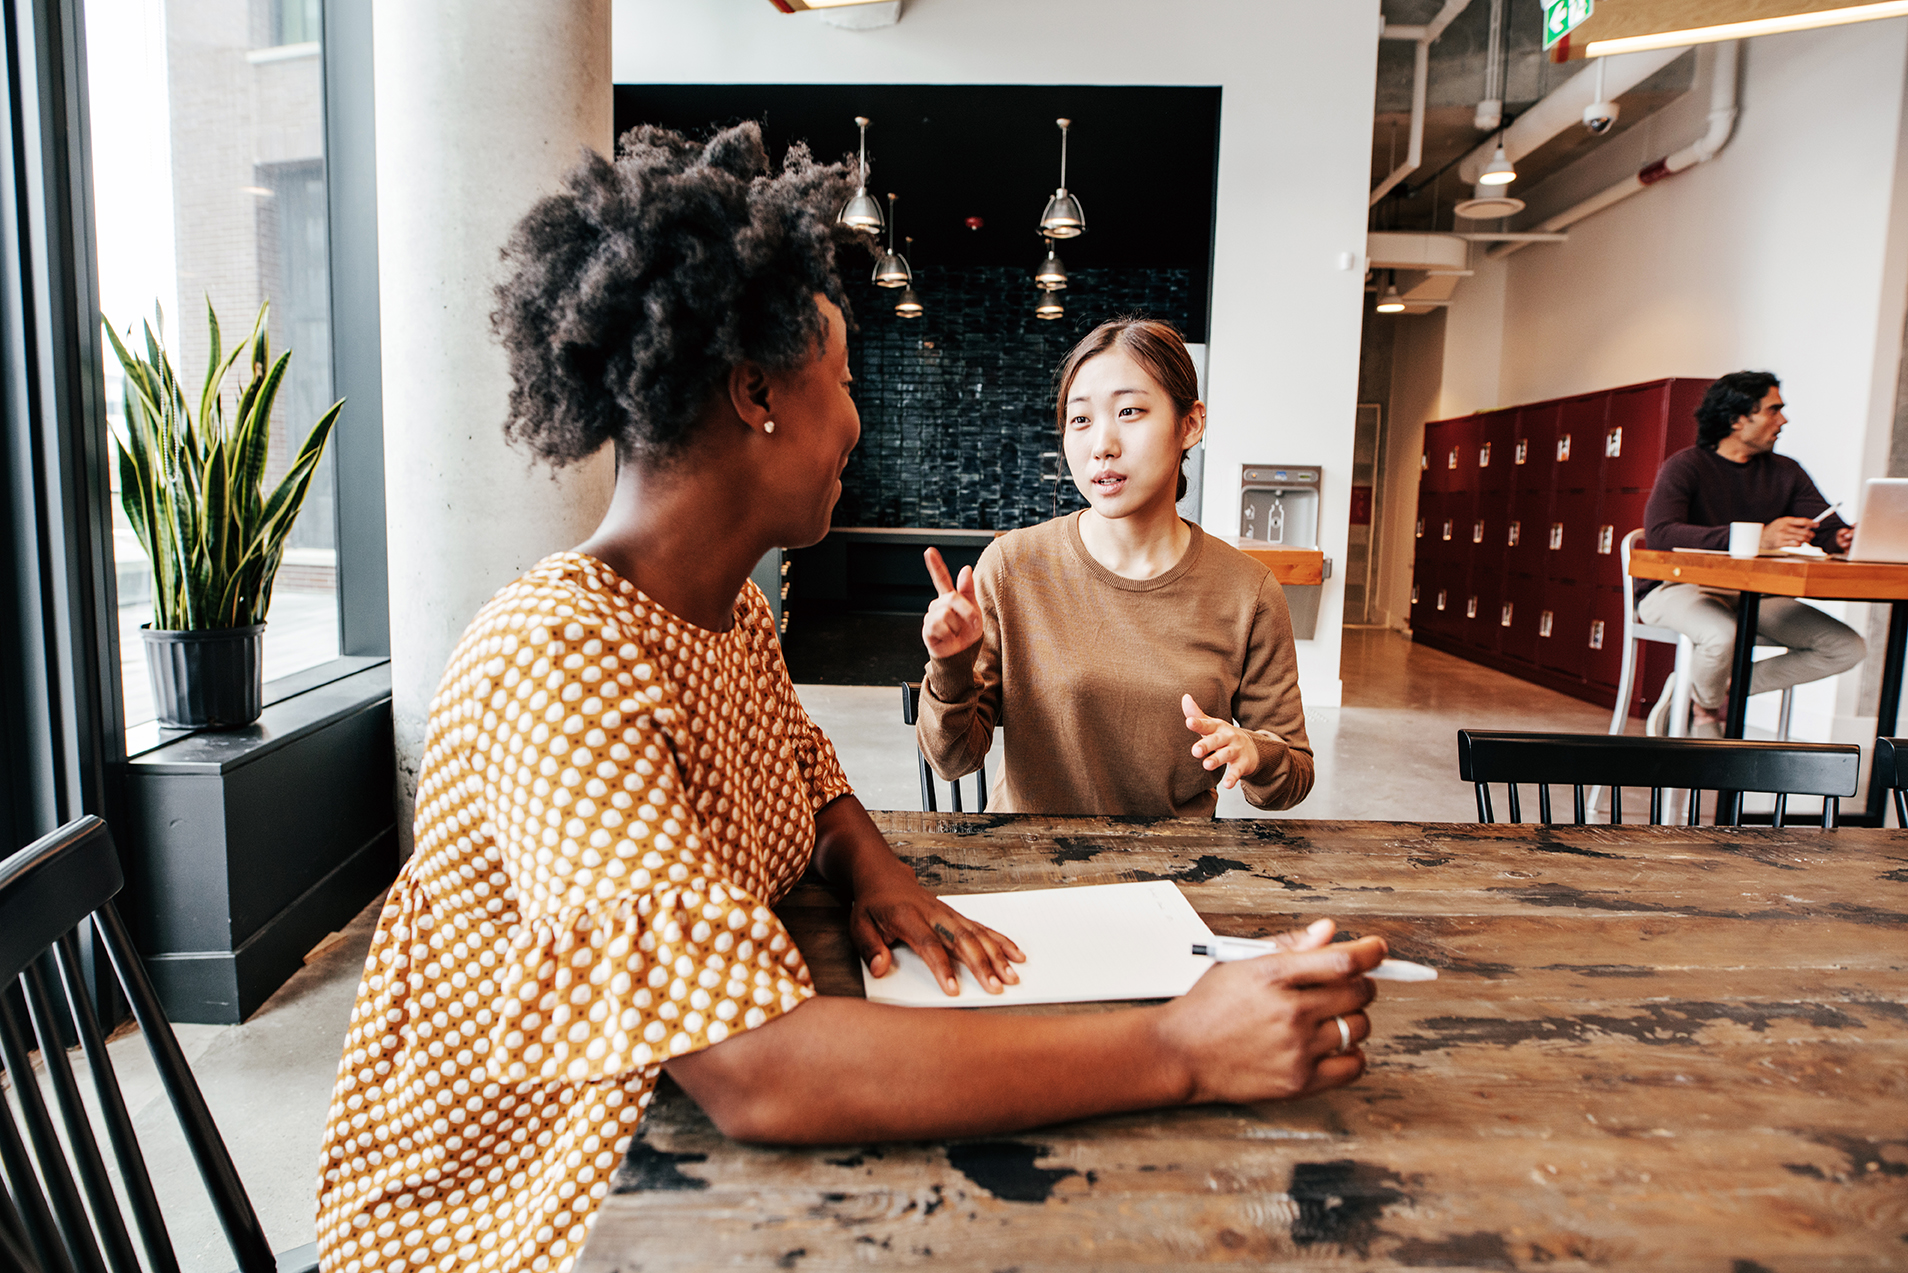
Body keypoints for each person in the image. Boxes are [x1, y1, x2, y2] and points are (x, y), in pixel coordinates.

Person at [312, 125, 1385, 1273]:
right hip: (526, 1204)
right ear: (755, 396)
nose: (858, 423)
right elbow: (759, 1073)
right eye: (844, 383)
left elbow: (809, 773)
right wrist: (1181, 1047)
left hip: (656, 1139)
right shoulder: (559, 657)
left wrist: (875, 867)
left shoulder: (727, 612)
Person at [913, 318, 1313, 817]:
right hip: (1033, 867)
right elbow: (953, 760)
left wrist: (1254, 752)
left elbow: (1292, 774)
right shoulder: (1012, 567)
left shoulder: (1247, 591)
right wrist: (950, 667)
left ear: (1190, 424)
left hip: (1174, 872)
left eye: (1129, 411)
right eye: (1080, 420)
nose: (1102, 443)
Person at [1637, 371, 1865, 736]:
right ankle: (1706, 710)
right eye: (1774, 410)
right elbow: (1662, 534)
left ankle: (1705, 696)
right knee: (1722, 634)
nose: (1784, 420)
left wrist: (1843, 538)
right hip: (1677, 588)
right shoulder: (1686, 466)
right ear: (1736, 419)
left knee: (1846, 647)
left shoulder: (1786, 472)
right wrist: (1759, 538)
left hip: (1754, 593)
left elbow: (1826, 530)